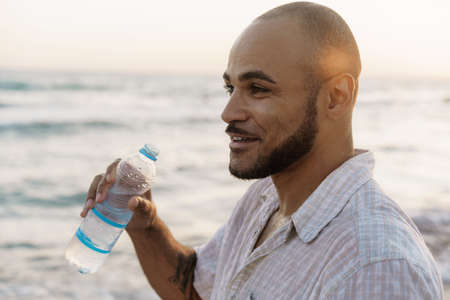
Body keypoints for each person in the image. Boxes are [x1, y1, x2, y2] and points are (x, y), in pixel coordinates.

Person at [80, 2, 444, 299]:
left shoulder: (375, 267)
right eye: (231, 89)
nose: (228, 113)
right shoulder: (265, 198)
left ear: (336, 97)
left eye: (258, 88)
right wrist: (146, 227)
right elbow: (197, 290)